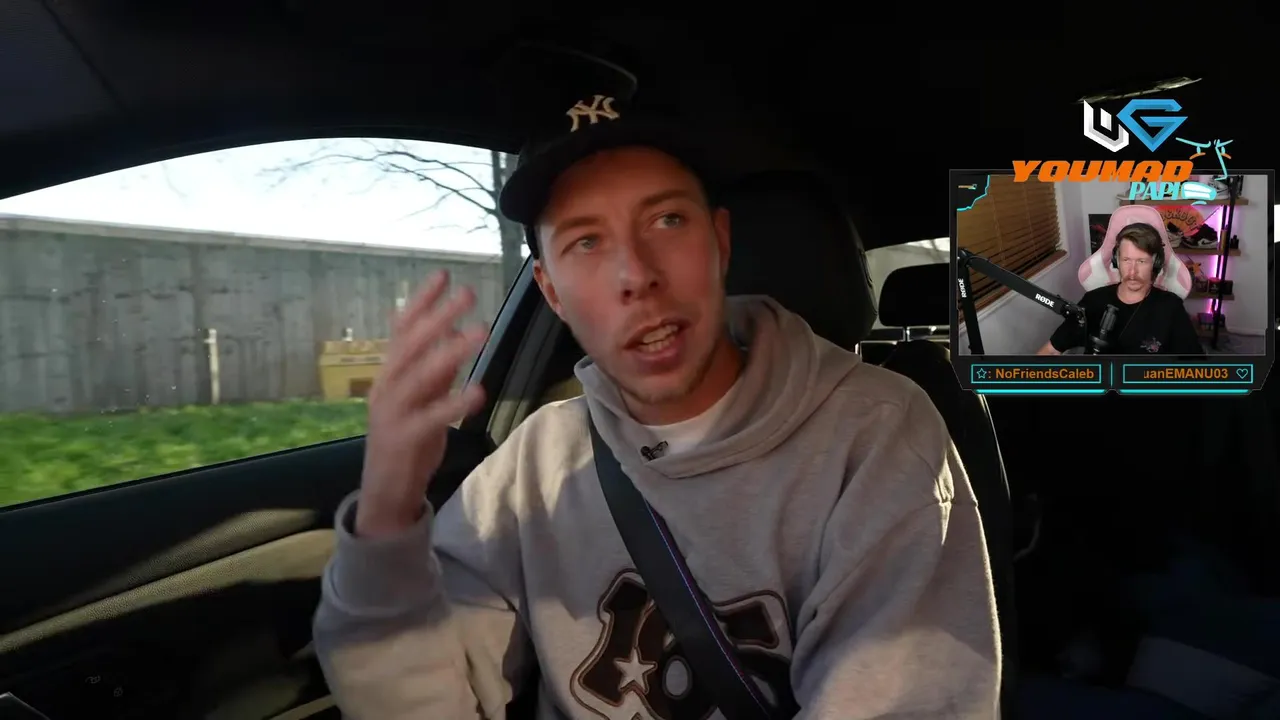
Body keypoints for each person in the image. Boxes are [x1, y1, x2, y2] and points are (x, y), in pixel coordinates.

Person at [313, 89, 1001, 719]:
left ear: (720, 243)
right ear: (551, 294)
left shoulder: (877, 438)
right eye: (587, 241)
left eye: (668, 220)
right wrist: (387, 515)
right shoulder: (533, 465)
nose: (635, 275)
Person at [1038, 222, 1204, 356]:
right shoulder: (1093, 301)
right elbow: (1051, 350)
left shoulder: (1170, 307)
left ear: (1156, 263)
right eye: (1126, 260)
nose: (1132, 272)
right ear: (1116, 261)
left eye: (1141, 261)